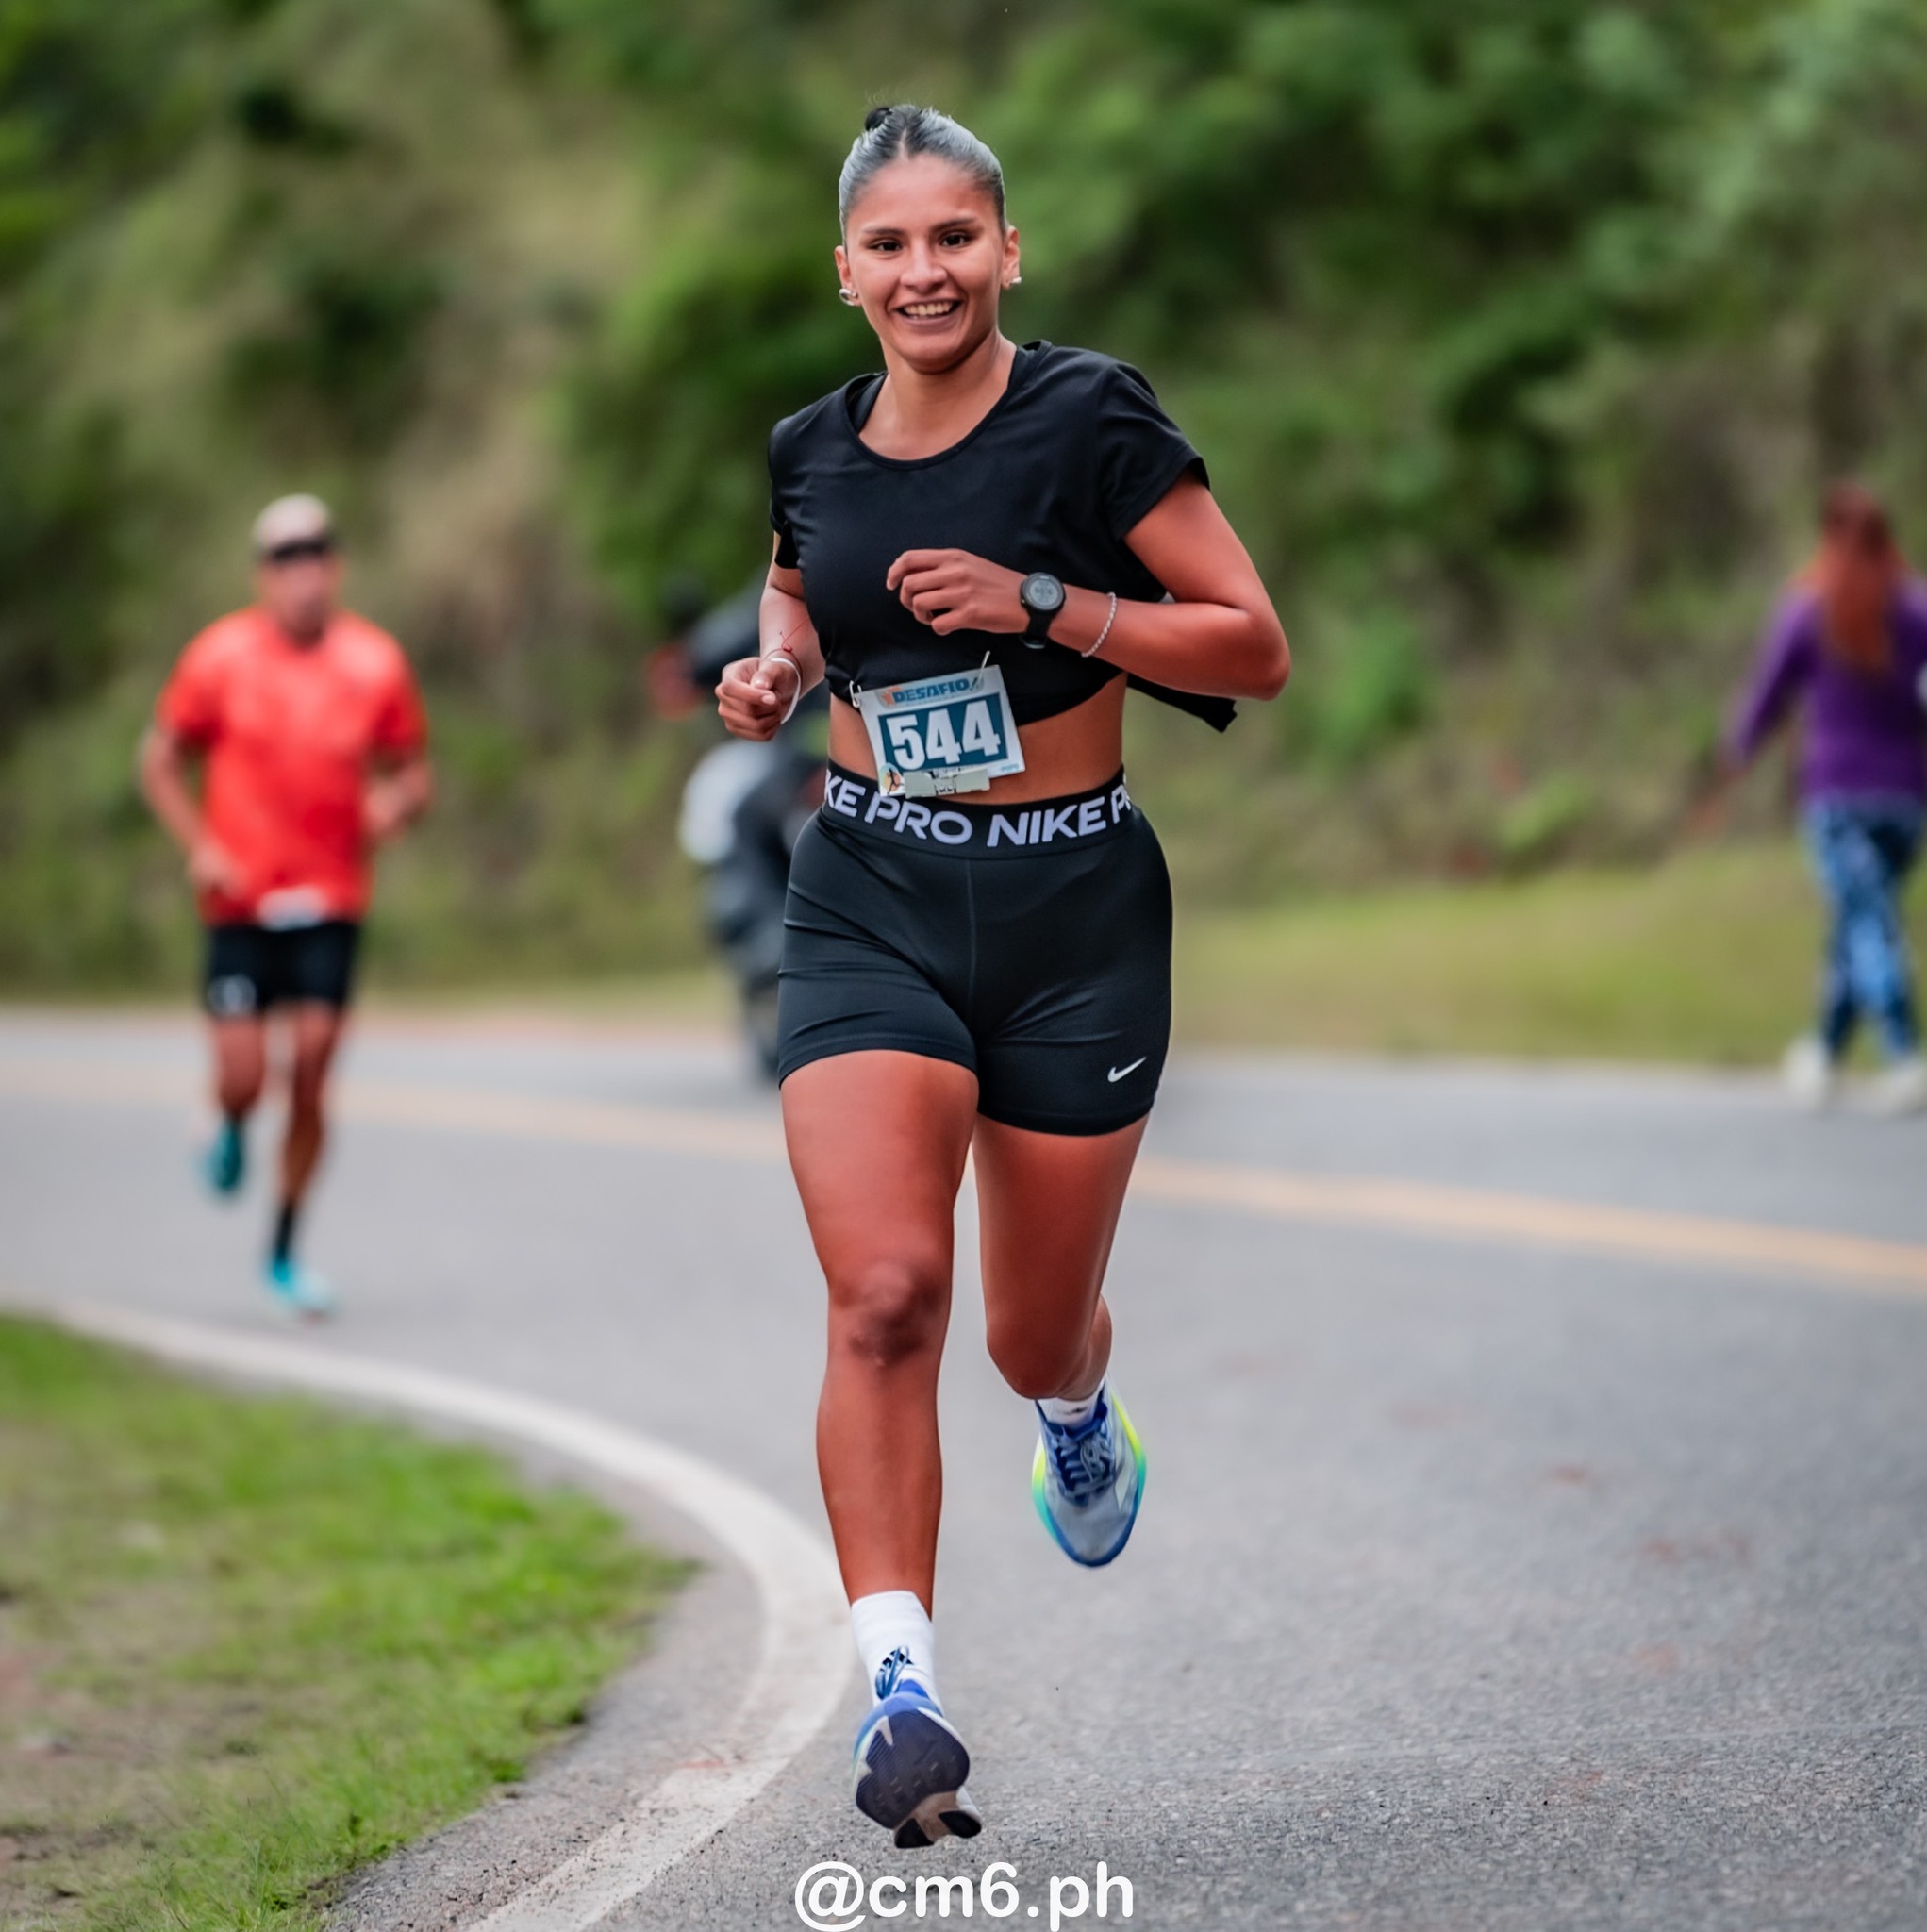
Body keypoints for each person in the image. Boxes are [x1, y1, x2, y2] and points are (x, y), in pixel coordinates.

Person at [715, 106, 1289, 1847]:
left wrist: (1042, 599)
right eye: (887, 245)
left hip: (1073, 918)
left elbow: (1249, 647)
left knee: (1029, 1320)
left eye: (952, 237)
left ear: (1005, 249)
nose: (922, 271)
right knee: (886, 1291)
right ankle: (898, 1685)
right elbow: (800, 591)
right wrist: (777, 670)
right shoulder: (808, 444)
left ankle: (1072, 1406)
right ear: (844, 272)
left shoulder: (1090, 417)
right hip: (871, 888)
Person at [139, 495, 432, 1311]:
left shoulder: (375, 663)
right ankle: (227, 1119)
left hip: (332, 895)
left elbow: (413, 772)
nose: (302, 571)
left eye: (316, 553)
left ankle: (282, 1254)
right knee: (245, 1077)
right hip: (240, 900)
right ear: (262, 574)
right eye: (284, 557)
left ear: (334, 566)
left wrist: (397, 805)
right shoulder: (219, 657)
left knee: (310, 1073)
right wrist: (198, 843)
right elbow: (159, 759)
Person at [1727, 482, 1927, 1115]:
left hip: (1838, 794)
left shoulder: (1805, 608)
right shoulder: (1915, 610)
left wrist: (1737, 750)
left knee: (1866, 922)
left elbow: (1765, 695)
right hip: (1905, 799)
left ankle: (1904, 1049)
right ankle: (1823, 1053)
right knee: (1857, 919)